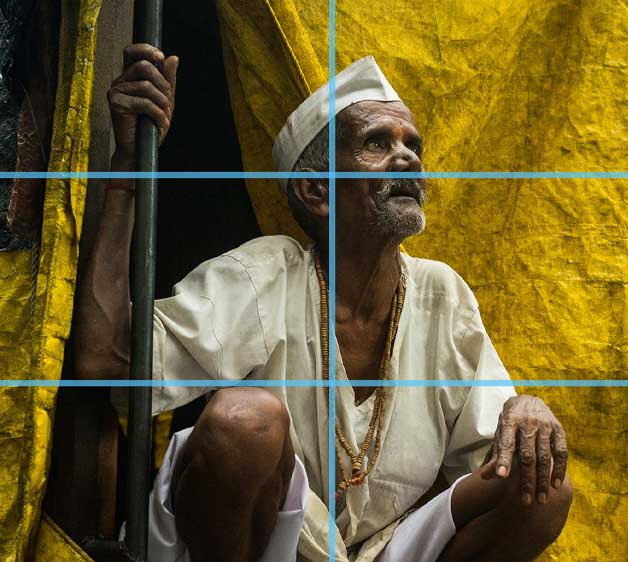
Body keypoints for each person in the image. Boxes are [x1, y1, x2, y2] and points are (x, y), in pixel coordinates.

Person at [75, 44, 573, 562]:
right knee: (248, 420)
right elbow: (104, 364)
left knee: (540, 486)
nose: (406, 157)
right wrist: (128, 172)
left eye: (412, 145)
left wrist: (525, 408)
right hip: (254, 547)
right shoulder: (265, 274)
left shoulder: (442, 294)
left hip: (374, 551)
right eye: (377, 143)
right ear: (317, 191)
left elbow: (500, 452)